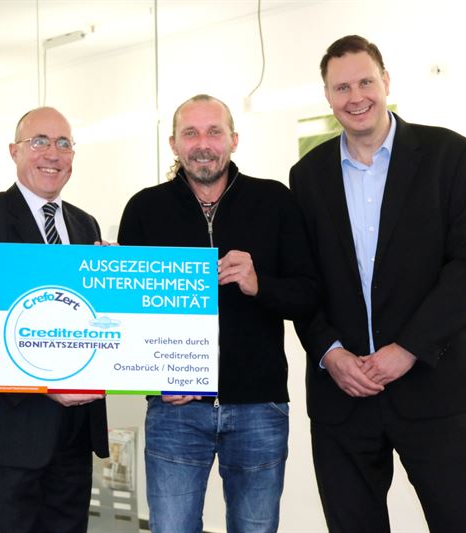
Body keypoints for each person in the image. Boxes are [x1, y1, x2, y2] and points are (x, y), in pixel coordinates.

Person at [289, 35, 466, 533]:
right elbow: (301, 279)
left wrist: (408, 349)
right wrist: (330, 353)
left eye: (365, 82)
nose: (355, 97)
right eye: (341, 87)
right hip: (343, 395)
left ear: (386, 81)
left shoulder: (451, 155)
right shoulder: (307, 176)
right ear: (327, 95)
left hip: (436, 386)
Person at [118, 94, 318, 533]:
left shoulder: (274, 201)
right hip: (174, 409)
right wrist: (154, 382)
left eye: (214, 132)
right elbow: (129, 319)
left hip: (258, 406)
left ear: (234, 140)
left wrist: (259, 284)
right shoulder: (144, 209)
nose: (203, 144)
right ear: (174, 143)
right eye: (190, 133)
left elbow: (308, 294)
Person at [0, 106, 109, 533]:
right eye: (39, 141)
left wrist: (113, 284)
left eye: (63, 143)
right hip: (9, 429)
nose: (52, 153)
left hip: (75, 432)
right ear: (14, 151)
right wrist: (42, 382)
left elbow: (88, 319)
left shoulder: (84, 224)